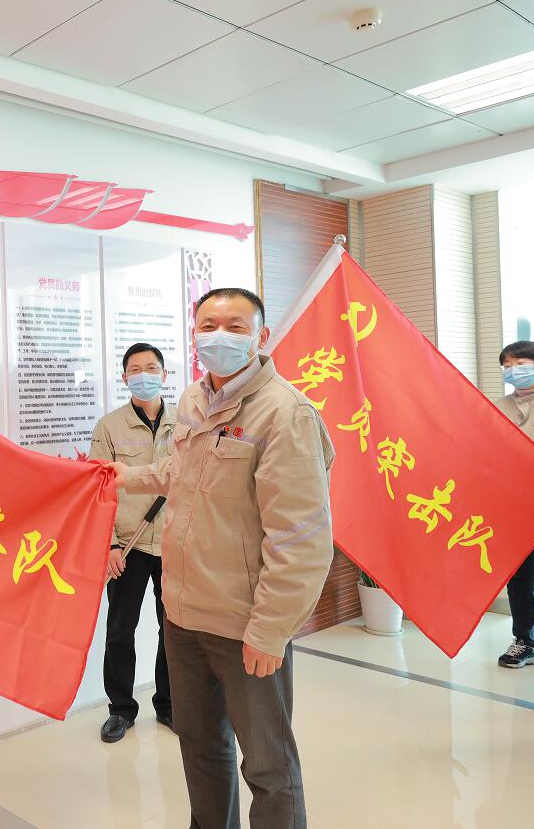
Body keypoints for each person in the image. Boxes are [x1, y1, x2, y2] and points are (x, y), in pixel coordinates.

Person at [113, 287, 334, 829]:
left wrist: (270, 630)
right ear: (194, 336)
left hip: (244, 625)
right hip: (183, 614)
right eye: (208, 326)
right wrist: (124, 477)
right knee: (201, 746)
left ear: (261, 337)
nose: (220, 337)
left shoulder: (286, 414)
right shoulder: (194, 398)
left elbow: (300, 538)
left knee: (267, 764)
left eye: (236, 327)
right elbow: (179, 473)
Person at [89, 343, 176, 743]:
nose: (145, 375)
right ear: (124, 378)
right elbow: (98, 491)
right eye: (136, 370)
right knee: (120, 631)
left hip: (174, 543)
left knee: (172, 631)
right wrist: (108, 545)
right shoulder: (109, 427)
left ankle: (169, 705)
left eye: (152, 368)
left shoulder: (186, 424)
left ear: (165, 374)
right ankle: (121, 709)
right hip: (129, 545)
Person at [494, 341, 534, 677]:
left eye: (519, 363)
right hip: (512, 504)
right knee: (519, 578)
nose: (512, 370)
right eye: (506, 365)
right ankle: (524, 641)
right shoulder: (495, 408)